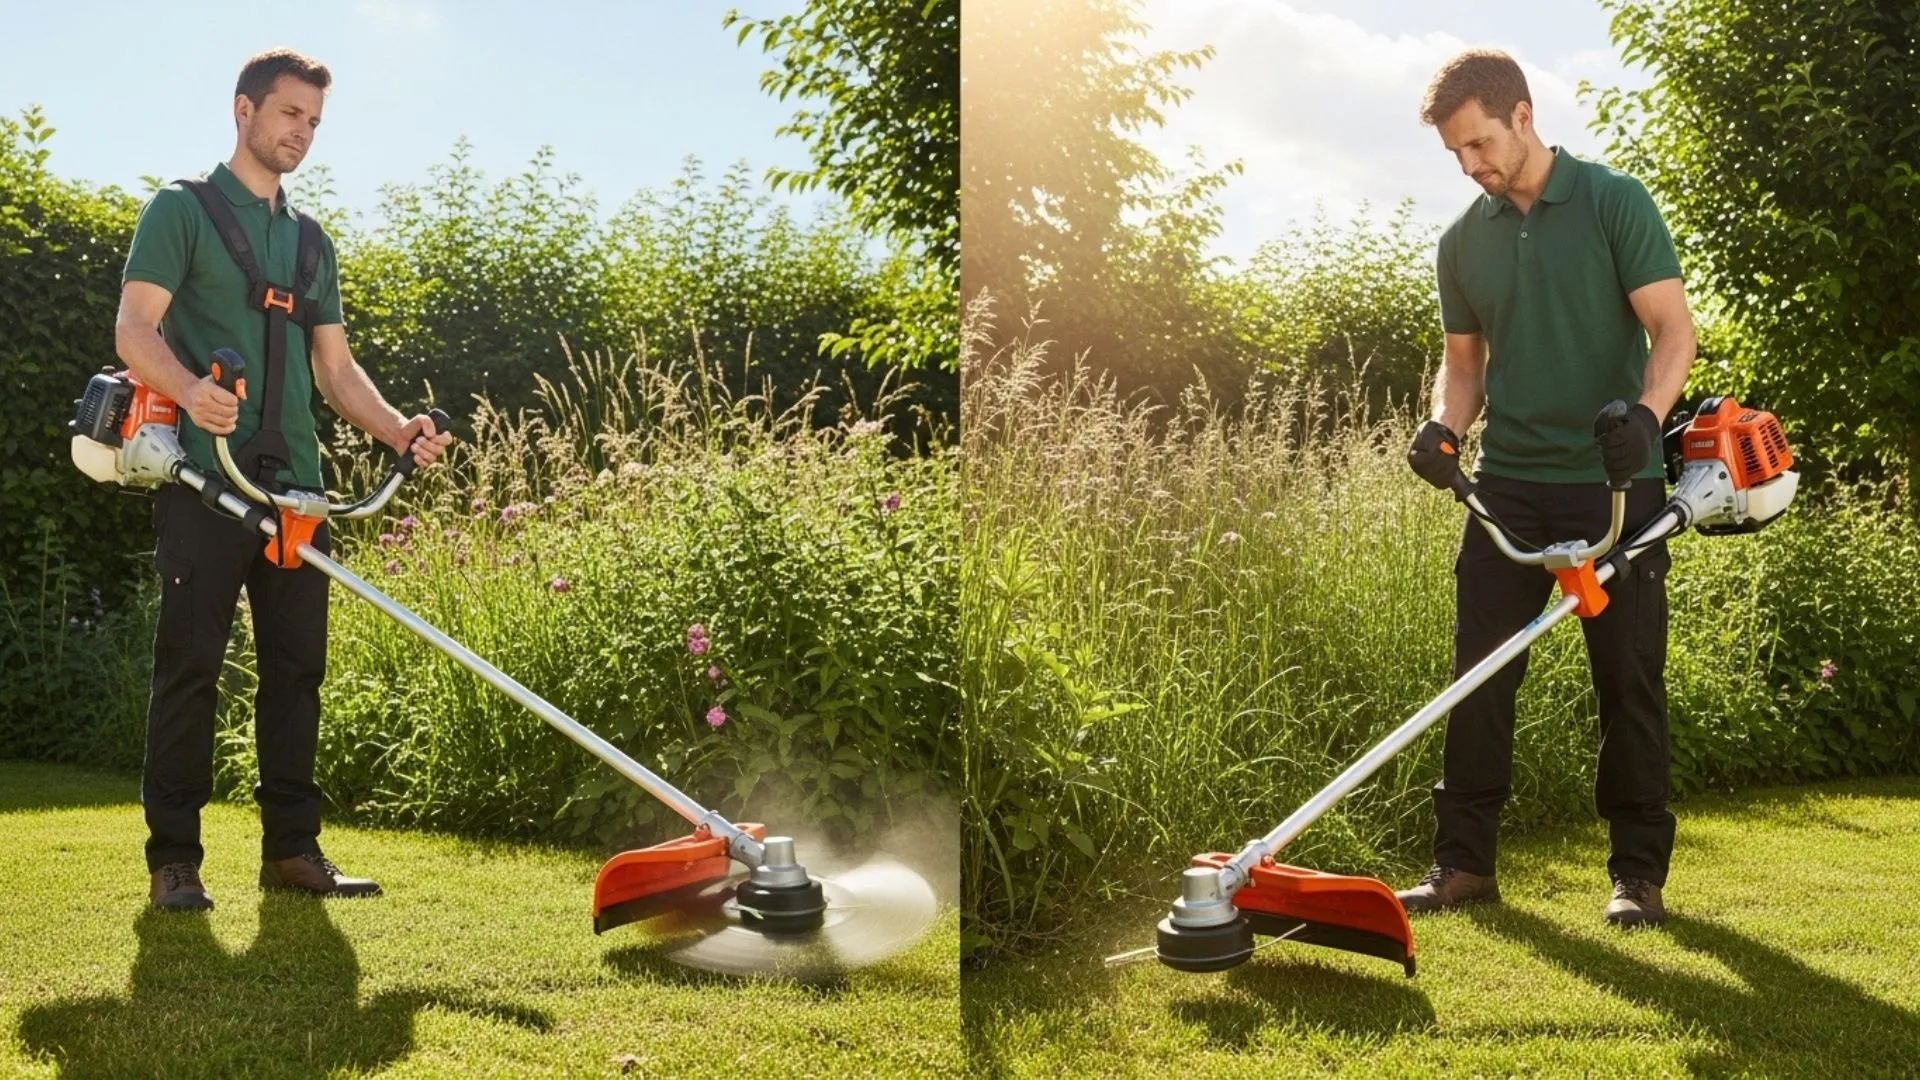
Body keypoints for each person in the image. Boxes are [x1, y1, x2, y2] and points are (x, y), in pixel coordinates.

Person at [115, 48, 454, 912]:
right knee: (189, 667)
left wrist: (398, 429)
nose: (301, 132)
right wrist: (189, 390)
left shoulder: (310, 243)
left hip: (299, 491)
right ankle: (175, 861)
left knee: (297, 671)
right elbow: (134, 330)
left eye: (313, 121)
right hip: (204, 480)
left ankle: (292, 852)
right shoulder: (180, 211)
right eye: (288, 114)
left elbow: (335, 372)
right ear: (244, 111)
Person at [1398, 49, 1695, 928]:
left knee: (1628, 680)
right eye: (1455, 153)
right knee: (1479, 678)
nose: (1470, 165)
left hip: (1614, 485)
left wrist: (1646, 417)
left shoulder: (1614, 201)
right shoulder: (1462, 240)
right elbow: (1464, 369)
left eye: (1480, 143)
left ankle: (1637, 874)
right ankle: (1463, 864)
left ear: (1523, 116)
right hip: (1508, 490)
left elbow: (1672, 330)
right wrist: (1445, 429)